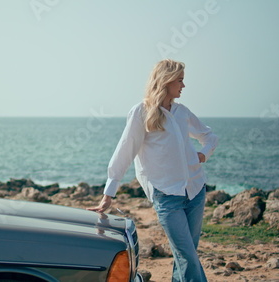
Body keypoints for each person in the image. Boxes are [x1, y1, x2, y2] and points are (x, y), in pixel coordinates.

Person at [88, 59, 218, 282]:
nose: (183, 86)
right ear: (166, 82)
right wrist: (109, 193)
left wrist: (203, 153)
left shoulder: (182, 112)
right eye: (180, 81)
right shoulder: (141, 112)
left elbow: (209, 136)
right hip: (166, 196)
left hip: (195, 191)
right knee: (187, 255)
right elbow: (125, 151)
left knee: (185, 255)